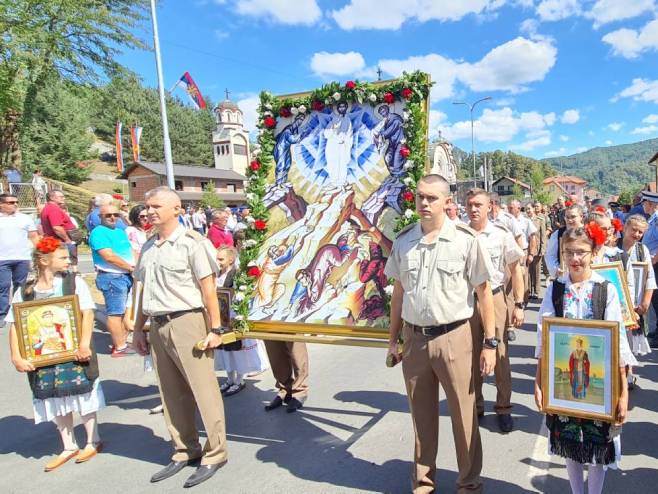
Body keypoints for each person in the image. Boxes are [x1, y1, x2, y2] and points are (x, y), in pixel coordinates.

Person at [385, 174, 496, 493]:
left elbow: (484, 292)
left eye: (431, 198)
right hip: (415, 339)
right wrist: (393, 340)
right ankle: (423, 481)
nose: (423, 203)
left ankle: (469, 483)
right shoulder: (404, 240)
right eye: (420, 197)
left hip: (455, 337)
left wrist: (490, 342)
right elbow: (398, 293)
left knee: (463, 414)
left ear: (448, 202)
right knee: (421, 416)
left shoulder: (465, 239)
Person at [132, 186, 228, 488]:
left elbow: (208, 290)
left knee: (203, 390)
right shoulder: (148, 248)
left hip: (188, 321)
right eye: (147, 206)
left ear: (176, 209)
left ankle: (215, 452)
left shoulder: (193, 243)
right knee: (170, 392)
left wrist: (215, 329)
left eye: (156, 206)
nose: (149, 211)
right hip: (157, 324)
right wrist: (137, 328)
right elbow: (144, 290)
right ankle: (185, 448)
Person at [534, 226, 634, 494]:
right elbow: (544, 339)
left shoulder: (605, 290)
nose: (575, 259)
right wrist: (539, 382)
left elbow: (618, 342)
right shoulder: (555, 290)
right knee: (570, 442)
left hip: (600, 382)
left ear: (594, 253)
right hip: (566, 383)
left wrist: (623, 392)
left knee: (598, 445)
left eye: (581, 252)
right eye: (569, 253)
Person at [7, 237, 104, 471]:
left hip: (74, 350)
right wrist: (17, 356)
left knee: (83, 394)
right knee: (53, 397)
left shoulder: (73, 283)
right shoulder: (26, 290)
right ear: (44, 260)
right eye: (62, 257)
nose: (68, 261)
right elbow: (15, 324)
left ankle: (93, 440)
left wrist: (84, 344)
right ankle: (68, 444)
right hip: (43, 354)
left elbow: (88, 314)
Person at [466, 189, 524, 433]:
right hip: (467, 301)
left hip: (496, 298)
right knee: (470, 353)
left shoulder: (501, 235)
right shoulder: (461, 234)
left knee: (499, 354)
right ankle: (476, 405)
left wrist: (519, 304)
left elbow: (515, 269)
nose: (473, 209)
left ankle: (503, 407)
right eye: (469, 204)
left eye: (478, 204)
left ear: (490, 206)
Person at [214, 246, 269, 397]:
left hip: (232, 315)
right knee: (225, 349)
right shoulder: (217, 273)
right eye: (217, 258)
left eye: (221, 259)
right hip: (221, 316)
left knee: (236, 349)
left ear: (231, 259)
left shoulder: (236, 274)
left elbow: (240, 294)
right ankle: (230, 379)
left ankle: (239, 380)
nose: (217, 262)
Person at [89, 203, 135, 357]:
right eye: (108, 215)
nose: (113, 217)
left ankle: (122, 340)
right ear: (100, 217)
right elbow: (108, 256)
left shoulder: (120, 232)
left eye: (116, 214)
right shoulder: (98, 233)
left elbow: (130, 251)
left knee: (123, 311)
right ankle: (119, 347)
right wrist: (130, 268)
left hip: (125, 275)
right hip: (112, 276)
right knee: (115, 313)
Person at [620, 214, 656, 358]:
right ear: (625, 228)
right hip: (617, 302)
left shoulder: (643, 250)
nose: (636, 234)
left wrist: (646, 303)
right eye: (633, 230)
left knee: (631, 345)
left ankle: (628, 377)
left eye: (640, 232)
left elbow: (650, 278)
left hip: (635, 304)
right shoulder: (612, 247)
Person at [0, 193, 38, 326]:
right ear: (2, 204)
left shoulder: (25, 218)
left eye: (16, 202)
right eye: (11, 202)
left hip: (22, 257)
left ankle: (20, 310)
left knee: (20, 285)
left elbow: (34, 236)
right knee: (3, 286)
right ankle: (2, 314)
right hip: (2, 259)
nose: (15, 204)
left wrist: (41, 251)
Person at [40, 190, 81, 267]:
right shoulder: (53, 209)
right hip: (59, 242)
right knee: (62, 266)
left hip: (56, 241)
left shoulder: (49, 208)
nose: (64, 198)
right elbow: (57, 227)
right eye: (61, 197)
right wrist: (67, 239)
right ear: (52, 198)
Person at [546, 204, 585, 278]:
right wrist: (556, 269)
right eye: (567, 217)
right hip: (566, 276)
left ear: (581, 217)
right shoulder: (558, 234)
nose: (570, 220)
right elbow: (550, 255)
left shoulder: (588, 232)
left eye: (573, 217)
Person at [640, 191, 658, 347]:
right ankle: (655, 331)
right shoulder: (652, 220)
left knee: (657, 300)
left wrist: (653, 260)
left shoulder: (657, 220)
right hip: (652, 264)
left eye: (644, 203)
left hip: (656, 265)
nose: (643, 206)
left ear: (651, 204)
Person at [527, 203, 547, 299]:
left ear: (534, 209)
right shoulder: (525, 220)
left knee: (536, 270)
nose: (528, 211)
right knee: (529, 270)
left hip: (537, 248)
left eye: (529, 209)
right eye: (526, 209)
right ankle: (530, 290)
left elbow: (543, 235)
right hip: (527, 248)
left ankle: (536, 291)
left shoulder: (540, 220)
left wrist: (542, 249)